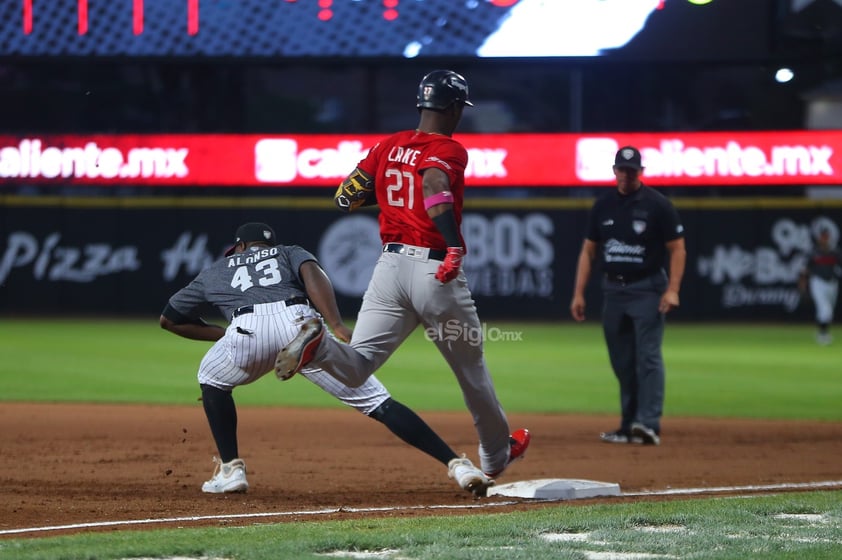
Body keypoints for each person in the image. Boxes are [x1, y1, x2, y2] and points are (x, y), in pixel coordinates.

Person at [275, 69, 530, 481]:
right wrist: (453, 244)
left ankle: (319, 346)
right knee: (471, 368)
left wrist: (384, 199)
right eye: (459, 108)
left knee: (358, 368)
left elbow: (343, 197)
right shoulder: (449, 148)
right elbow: (432, 182)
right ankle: (496, 455)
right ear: (451, 108)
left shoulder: (388, 145)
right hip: (433, 271)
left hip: (389, 268)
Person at [160, 222, 493, 496]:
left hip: (245, 330)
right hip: (298, 320)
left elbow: (170, 320)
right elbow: (311, 273)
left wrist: (226, 335)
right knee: (378, 402)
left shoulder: (217, 268)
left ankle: (232, 469)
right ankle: (458, 466)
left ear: (241, 248)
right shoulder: (289, 252)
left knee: (212, 378)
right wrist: (334, 323)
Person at [569, 145, 685, 446]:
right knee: (622, 360)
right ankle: (628, 424)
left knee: (647, 357)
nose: (626, 174)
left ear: (641, 172)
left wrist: (672, 289)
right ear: (614, 171)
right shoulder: (604, 205)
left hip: (647, 288)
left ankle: (648, 424)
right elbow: (588, 250)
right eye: (621, 169)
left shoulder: (658, 205)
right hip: (613, 290)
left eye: (632, 170)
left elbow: (677, 248)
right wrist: (578, 293)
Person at [798, 226, 842, 345]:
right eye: (823, 236)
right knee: (825, 310)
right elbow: (804, 270)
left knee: (826, 310)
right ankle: (823, 335)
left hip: (832, 283)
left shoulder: (835, 252)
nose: (824, 239)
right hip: (818, 282)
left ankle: (821, 332)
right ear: (819, 238)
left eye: (826, 236)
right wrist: (802, 285)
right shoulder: (813, 252)